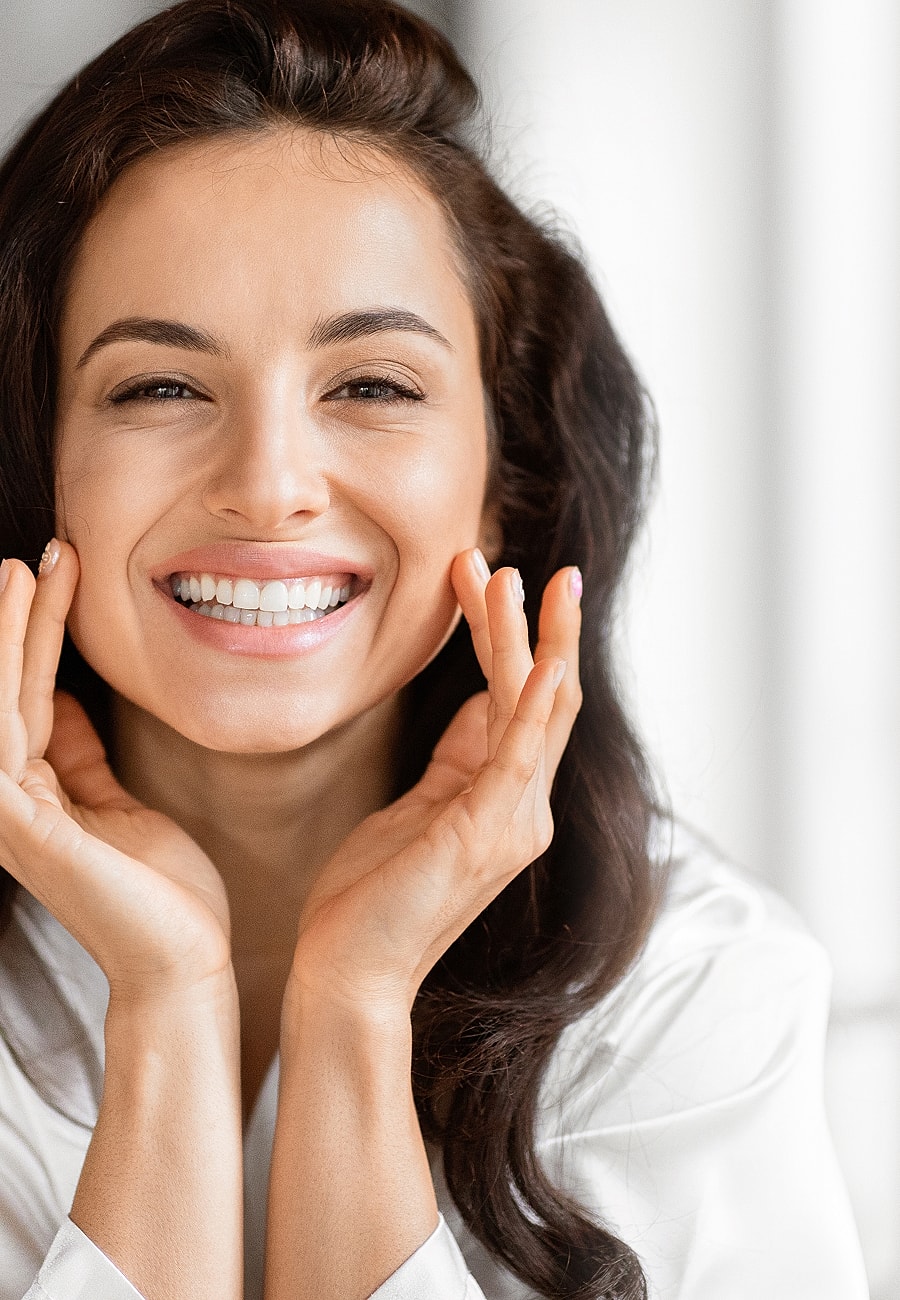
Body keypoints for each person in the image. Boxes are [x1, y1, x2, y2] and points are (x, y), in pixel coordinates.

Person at [0, 2, 868, 1298]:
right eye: (160, 387)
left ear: (502, 484)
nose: (269, 486)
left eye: (373, 387)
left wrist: (354, 1007)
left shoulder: (693, 997)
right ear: (32, 471)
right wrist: (166, 1001)